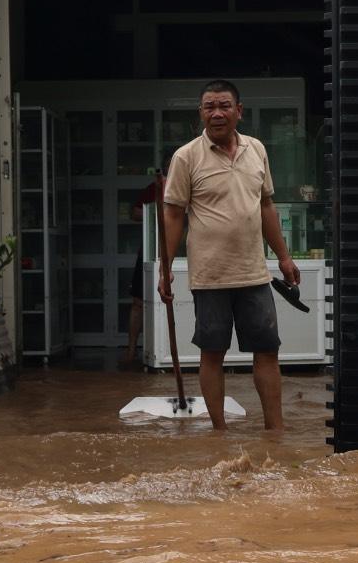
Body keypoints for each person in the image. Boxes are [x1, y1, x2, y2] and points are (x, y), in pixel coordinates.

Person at [158, 80, 300, 434]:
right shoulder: (186, 156)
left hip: (254, 273)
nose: (217, 113)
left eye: (224, 106)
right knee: (212, 352)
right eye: (209, 107)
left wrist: (284, 257)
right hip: (210, 276)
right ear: (201, 113)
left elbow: (266, 206)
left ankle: (275, 431)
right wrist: (165, 267)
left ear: (239, 111)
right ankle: (219, 432)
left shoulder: (256, 149)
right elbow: (173, 215)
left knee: (267, 350)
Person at [120, 168, 166, 368]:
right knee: (138, 302)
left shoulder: (189, 186)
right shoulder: (154, 188)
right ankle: (131, 349)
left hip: (182, 253)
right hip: (150, 252)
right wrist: (157, 208)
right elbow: (135, 212)